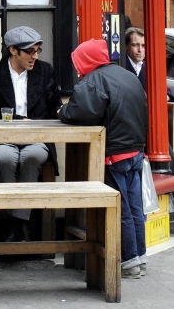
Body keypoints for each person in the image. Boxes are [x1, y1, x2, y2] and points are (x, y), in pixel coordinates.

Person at [60, 38, 149, 279]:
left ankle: (128, 261)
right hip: (135, 150)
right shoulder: (126, 75)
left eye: (78, 63)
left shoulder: (93, 81)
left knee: (120, 210)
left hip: (114, 153)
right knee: (135, 206)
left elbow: (79, 113)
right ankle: (140, 257)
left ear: (86, 60)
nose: (77, 69)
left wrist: (62, 110)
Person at [0, 25, 62, 242]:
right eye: (30, 52)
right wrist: (16, 120)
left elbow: (55, 106)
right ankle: (17, 222)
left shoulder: (45, 71)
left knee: (32, 158)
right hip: (3, 136)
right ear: (13, 51)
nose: (35, 56)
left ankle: (18, 223)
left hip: (37, 137)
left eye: (37, 51)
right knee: (5, 159)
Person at [122, 27, 174, 204]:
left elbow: (167, 92)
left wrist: (162, 95)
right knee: (158, 140)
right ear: (127, 47)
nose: (140, 50)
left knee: (162, 139)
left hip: (147, 122)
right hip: (128, 124)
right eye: (136, 45)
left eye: (143, 46)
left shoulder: (150, 67)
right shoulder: (122, 67)